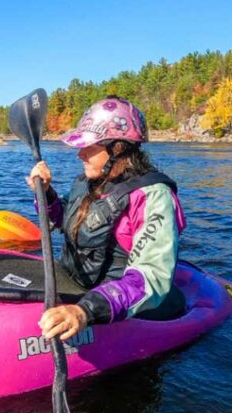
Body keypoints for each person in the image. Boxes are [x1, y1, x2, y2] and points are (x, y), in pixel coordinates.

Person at [25, 96, 187, 341]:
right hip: (79, 285)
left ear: (118, 147)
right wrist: (46, 193)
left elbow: (150, 276)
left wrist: (85, 310)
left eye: (89, 146)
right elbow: (60, 219)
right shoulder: (90, 183)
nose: (80, 154)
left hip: (123, 307)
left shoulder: (153, 196)